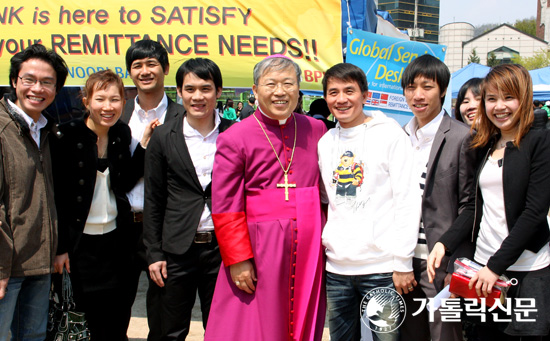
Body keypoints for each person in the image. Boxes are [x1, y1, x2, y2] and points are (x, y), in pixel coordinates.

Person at [204, 55, 327, 340]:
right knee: (256, 326)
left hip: (309, 247)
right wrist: (237, 258)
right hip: (260, 248)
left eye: (288, 83)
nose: (280, 91)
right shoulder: (235, 137)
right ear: (255, 90)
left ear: (299, 89)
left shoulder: (317, 129)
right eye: (271, 84)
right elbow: (225, 204)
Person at [428, 63, 550, 340]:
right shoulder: (485, 143)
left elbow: (534, 213)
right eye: (492, 99)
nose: (500, 107)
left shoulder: (540, 141)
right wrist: (444, 243)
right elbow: (474, 208)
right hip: (481, 268)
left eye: (509, 97)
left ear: (525, 97)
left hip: (525, 270)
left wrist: (495, 267)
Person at [51, 69, 157, 340]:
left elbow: (123, 182)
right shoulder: (66, 136)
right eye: (100, 99)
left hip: (116, 245)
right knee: (81, 321)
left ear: (124, 101)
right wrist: (61, 248)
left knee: (116, 318)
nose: (108, 107)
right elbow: (57, 198)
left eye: (115, 99)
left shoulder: (121, 133)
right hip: (78, 248)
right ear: (86, 101)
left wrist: (143, 145)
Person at [318, 63, 420, 340]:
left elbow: (408, 199)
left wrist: (402, 262)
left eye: (349, 91)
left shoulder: (389, 134)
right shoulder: (325, 142)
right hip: (337, 268)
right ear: (326, 98)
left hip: (382, 268)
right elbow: (329, 199)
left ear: (365, 94)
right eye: (333, 92)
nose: (341, 99)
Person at [144, 58, 233, 340]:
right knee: (170, 330)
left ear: (218, 92)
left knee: (222, 329)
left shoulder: (235, 133)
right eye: (190, 89)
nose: (198, 97)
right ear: (179, 92)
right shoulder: (162, 136)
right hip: (176, 251)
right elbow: (154, 198)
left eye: (205, 89)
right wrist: (154, 253)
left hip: (223, 250)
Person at [399, 54, 476, 341]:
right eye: (411, 87)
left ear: (443, 90)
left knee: (445, 335)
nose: (417, 95)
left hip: (441, 263)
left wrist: (456, 265)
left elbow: (470, 205)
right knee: (409, 334)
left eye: (427, 87)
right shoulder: (400, 137)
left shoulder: (462, 137)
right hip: (405, 263)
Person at [0, 43, 67, 340]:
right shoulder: (3, 130)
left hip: (40, 265)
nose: (36, 88)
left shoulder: (47, 130)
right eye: (29, 79)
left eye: (47, 82)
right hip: (8, 267)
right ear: (14, 81)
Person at [123, 39, 185, 340]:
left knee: (162, 314)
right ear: (129, 72)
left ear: (165, 69)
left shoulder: (183, 117)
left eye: (151, 64)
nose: (145, 71)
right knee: (114, 312)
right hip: (120, 228)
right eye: (137, 65)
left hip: (163, 230)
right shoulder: (117, 114)